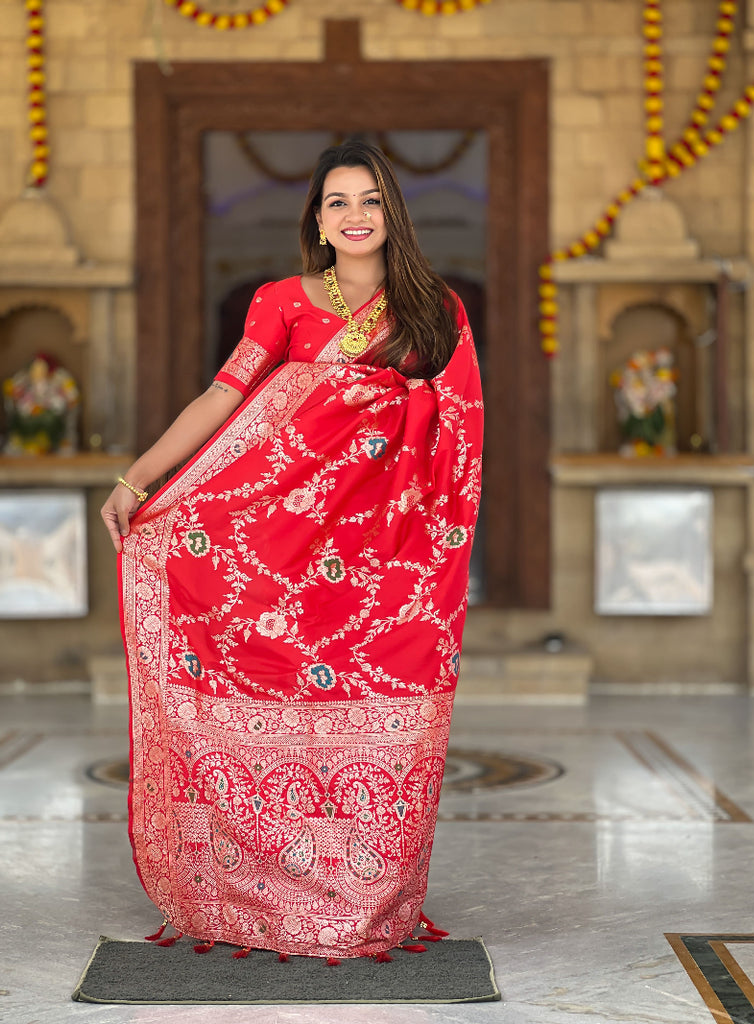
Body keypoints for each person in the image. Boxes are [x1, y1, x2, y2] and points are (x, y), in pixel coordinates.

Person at [101, 139, 483, 960]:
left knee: (400, 713)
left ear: (394, 213)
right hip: (285, 557)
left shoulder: (436, 310)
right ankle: (259, 900)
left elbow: (460, 427)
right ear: (315, 217)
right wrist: (137, 482)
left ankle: (367, 907)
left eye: (370, 200)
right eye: (337, 201)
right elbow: (224, 398)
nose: (354, 216)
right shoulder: (283, 301)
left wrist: (391, 413)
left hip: (393, 567)